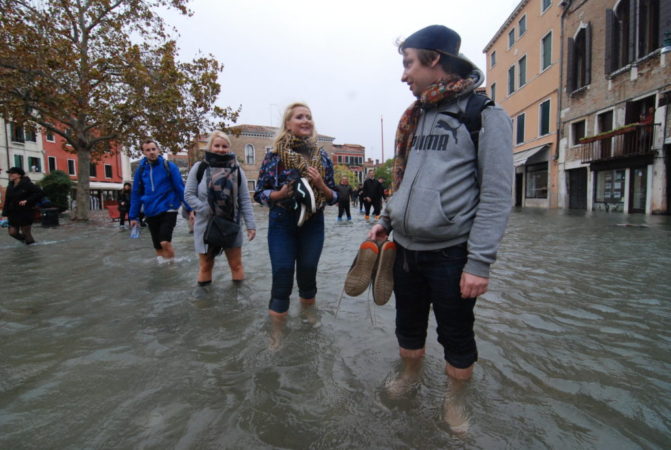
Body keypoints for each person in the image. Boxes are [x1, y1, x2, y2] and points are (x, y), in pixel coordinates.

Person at [367, 25, 513, 432]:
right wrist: (384, 221)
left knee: (457, 336)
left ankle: (455, 400)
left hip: (453, 254)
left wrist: (480, 263)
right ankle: (411, 377)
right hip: (404, 248)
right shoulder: (415, 117)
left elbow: (498, 196)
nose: (403, 75)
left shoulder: (484, 116)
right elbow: (404, 181)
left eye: (408, 63)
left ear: (434, 59)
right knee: (407, 327)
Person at [254, 102, 338, 339]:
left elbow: (333, 197)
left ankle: (308, 316)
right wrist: (277, 195)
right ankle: (277, 332)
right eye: (299, 117)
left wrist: (320, 184)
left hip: (313, 222)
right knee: (282, 273)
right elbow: (259, 192)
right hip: (282, 222)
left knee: (308, 272)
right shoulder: (273, 156)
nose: (305, 121)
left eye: (308, 117)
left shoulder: (322, 156)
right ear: (288, 125)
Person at [184, 130, 256, 298]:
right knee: (206, 265)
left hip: (232, 224)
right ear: (210, 147)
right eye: (217, 145)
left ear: (229, 148)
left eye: (224, 146)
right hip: (205, 225)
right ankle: (205, 304)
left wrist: (250, 225)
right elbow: (188, 195)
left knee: (236, 265)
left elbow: (244, 199)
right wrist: (204, 209)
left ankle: (238, 301)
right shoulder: (199, 168)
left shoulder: (237, 170)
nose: (221, 149)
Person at [129, 139, 191, 262]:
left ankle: (172, 267)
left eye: (153, 149)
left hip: (169, 208)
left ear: (158, 150)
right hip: (150, 210)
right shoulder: (140, 171)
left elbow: (180, 187)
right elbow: (136, 194)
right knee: (157, 246)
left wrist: (189, 208)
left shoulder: (169, 166)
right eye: (148, 150)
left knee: (164, 242)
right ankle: (164, 271)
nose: (151, 152)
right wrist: (133, 217)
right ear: (144, 153)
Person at [2, 167, 44, 245]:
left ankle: (30, 249)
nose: (10, 175)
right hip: (12, 213)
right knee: (12, 232)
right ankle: (27, 243)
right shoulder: (10, 186)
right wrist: (4, 214)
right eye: (9, 173)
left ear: (19, 175)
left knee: (26, 233)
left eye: (12, 173)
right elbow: (7, 200)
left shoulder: (27, 184)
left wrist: (27, 200)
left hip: (25, 212)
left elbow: (40, 193)